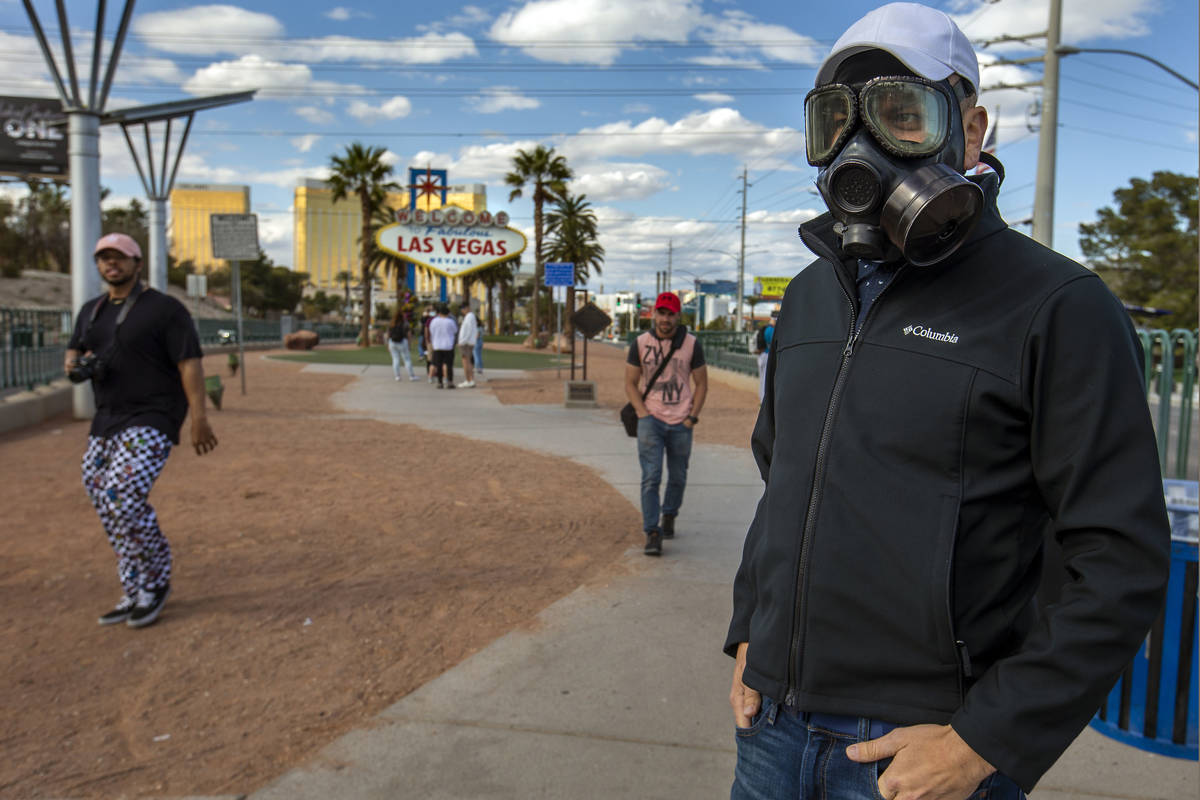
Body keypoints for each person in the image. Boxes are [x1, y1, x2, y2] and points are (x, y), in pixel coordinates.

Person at [725, 5, 1169, 800]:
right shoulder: (806, 299)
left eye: (901, 114)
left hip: (923, 753)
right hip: (771, 731)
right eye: (837, 122)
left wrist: (986, 740)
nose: (862, 148)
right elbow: (782, 476)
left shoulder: (1058, 305)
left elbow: (1120, 558)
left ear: (970, 130)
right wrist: (749, 633)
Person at [66, 233, 219, 629]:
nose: (110, 264)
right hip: (108, 417)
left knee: (122, 494)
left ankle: (157, 577)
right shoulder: (92, 310)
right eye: (103, 259)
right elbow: (74, 349)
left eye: (119, 258)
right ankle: (133, 586)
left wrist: (199, 418)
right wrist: (74, 366)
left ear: (138, 263)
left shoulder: (165, 310)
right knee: (103, 497)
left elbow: (190, 364)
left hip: (154, 414)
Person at [624, 291, 708, 556]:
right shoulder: (640, 343)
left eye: (671, 314)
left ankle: (669, 513)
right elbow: (630, 382)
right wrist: (642, 413)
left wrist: (692, 417)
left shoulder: (691, 344)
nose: (665, 319)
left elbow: (702, 383)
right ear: (654, 314)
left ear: (677, 316)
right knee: (651, 477)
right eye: (661, 313)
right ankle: (652, 531)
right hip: (651, 419)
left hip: (681, 421)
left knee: (678, 476)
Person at [428, 303, 458, 389]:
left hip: (437, 345)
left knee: (438, 364)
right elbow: (455, 331)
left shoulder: (434, 321)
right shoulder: (450, 322)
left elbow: (431, 331)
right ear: (448, 313)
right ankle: (449, 381)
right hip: (448, 345)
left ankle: (440, 382)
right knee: (449, 365)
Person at [386, 305, 417, 381]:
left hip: (392, 342)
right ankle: (411, 376)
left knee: (395, 359)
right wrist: (409, 344)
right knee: (407, 359)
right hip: (402, 342)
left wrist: (387, 344)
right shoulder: (405, 323)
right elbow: (409, 335)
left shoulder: (391, 323)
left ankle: (397, 376)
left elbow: (388, 335)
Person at [456, 300, 479, 388]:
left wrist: (462, 341)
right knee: (468, 361)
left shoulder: (469, 316)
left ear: (466, 308)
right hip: (468, 341)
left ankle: (469, 380)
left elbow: (468, 330)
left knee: (466, 361)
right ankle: (470, 379)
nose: (462, 311)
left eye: (462, 309)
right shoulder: (469, 316)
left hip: (466, 343)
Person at [755, 312, 776, 402]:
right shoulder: (773, 330)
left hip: (761, 355)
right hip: (768, 356)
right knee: (766, 380)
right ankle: (764, 400)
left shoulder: (765, 329)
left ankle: (761, 399)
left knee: (762, 379)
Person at [420, 305, 436, 383]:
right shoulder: (426, 319)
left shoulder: (436, 318)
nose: (432, 312)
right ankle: (429, 373)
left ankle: (433, 373)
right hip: (428, 341)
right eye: (430, 310)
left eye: (433, 310)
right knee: (429, 358)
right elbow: (425, 328)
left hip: (434, 341)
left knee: (434, 358)